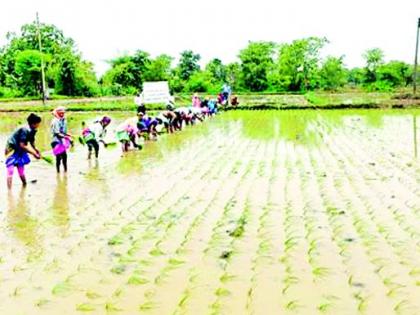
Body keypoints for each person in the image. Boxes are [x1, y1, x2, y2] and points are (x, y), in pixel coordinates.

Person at [4, 113, 42, 189]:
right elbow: (22, 145)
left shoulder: (33, 130)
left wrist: (36, 149)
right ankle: (9, 191)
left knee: (20, 168)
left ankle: (24, 185)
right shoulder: (25, 129)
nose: (39, 125)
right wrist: (34, 153)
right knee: (10, 169)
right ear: (33, 123)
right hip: (12, 149)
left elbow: (31, 141)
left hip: (20, 150)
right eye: (38, 123)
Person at [51, 107, 73, 173]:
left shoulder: (64, 120)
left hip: (62, 141)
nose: (62, 114)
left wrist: (69, 135)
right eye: (60, 113)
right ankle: (58, 172)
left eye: (63, 113)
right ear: (57, 113)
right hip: (56, 141)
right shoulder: (55, 121)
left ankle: (65, 172)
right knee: (58, 158)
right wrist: (67, 138)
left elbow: (64, 132)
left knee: (64, 157)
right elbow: (57, 133)